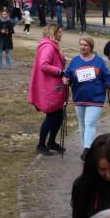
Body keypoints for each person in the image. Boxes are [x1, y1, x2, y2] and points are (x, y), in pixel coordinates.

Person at [64, 35, 110, 160]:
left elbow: (107, 76)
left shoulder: (98, 61)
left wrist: (108, 85)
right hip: (79, 96)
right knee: (82, 124)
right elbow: (67, 75)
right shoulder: (75, 61)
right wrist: (66, 80)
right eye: (81, 44)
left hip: (96, 97)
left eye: (85, 45)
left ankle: (88, 148)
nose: (82, 47)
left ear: (90, 47)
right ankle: (88, 146)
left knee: (90, 123)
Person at [28, 24, 69, 156]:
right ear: (54, 33)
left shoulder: (50, 46)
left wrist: (62, 61)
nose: (61, 34)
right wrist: (60, 71)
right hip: (52, 87)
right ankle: (41, 144)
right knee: (52, 116)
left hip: (55, 86)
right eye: (60, 32)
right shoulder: (49, 47)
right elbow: (44, 65)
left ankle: (51, 142)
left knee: (58, 116)